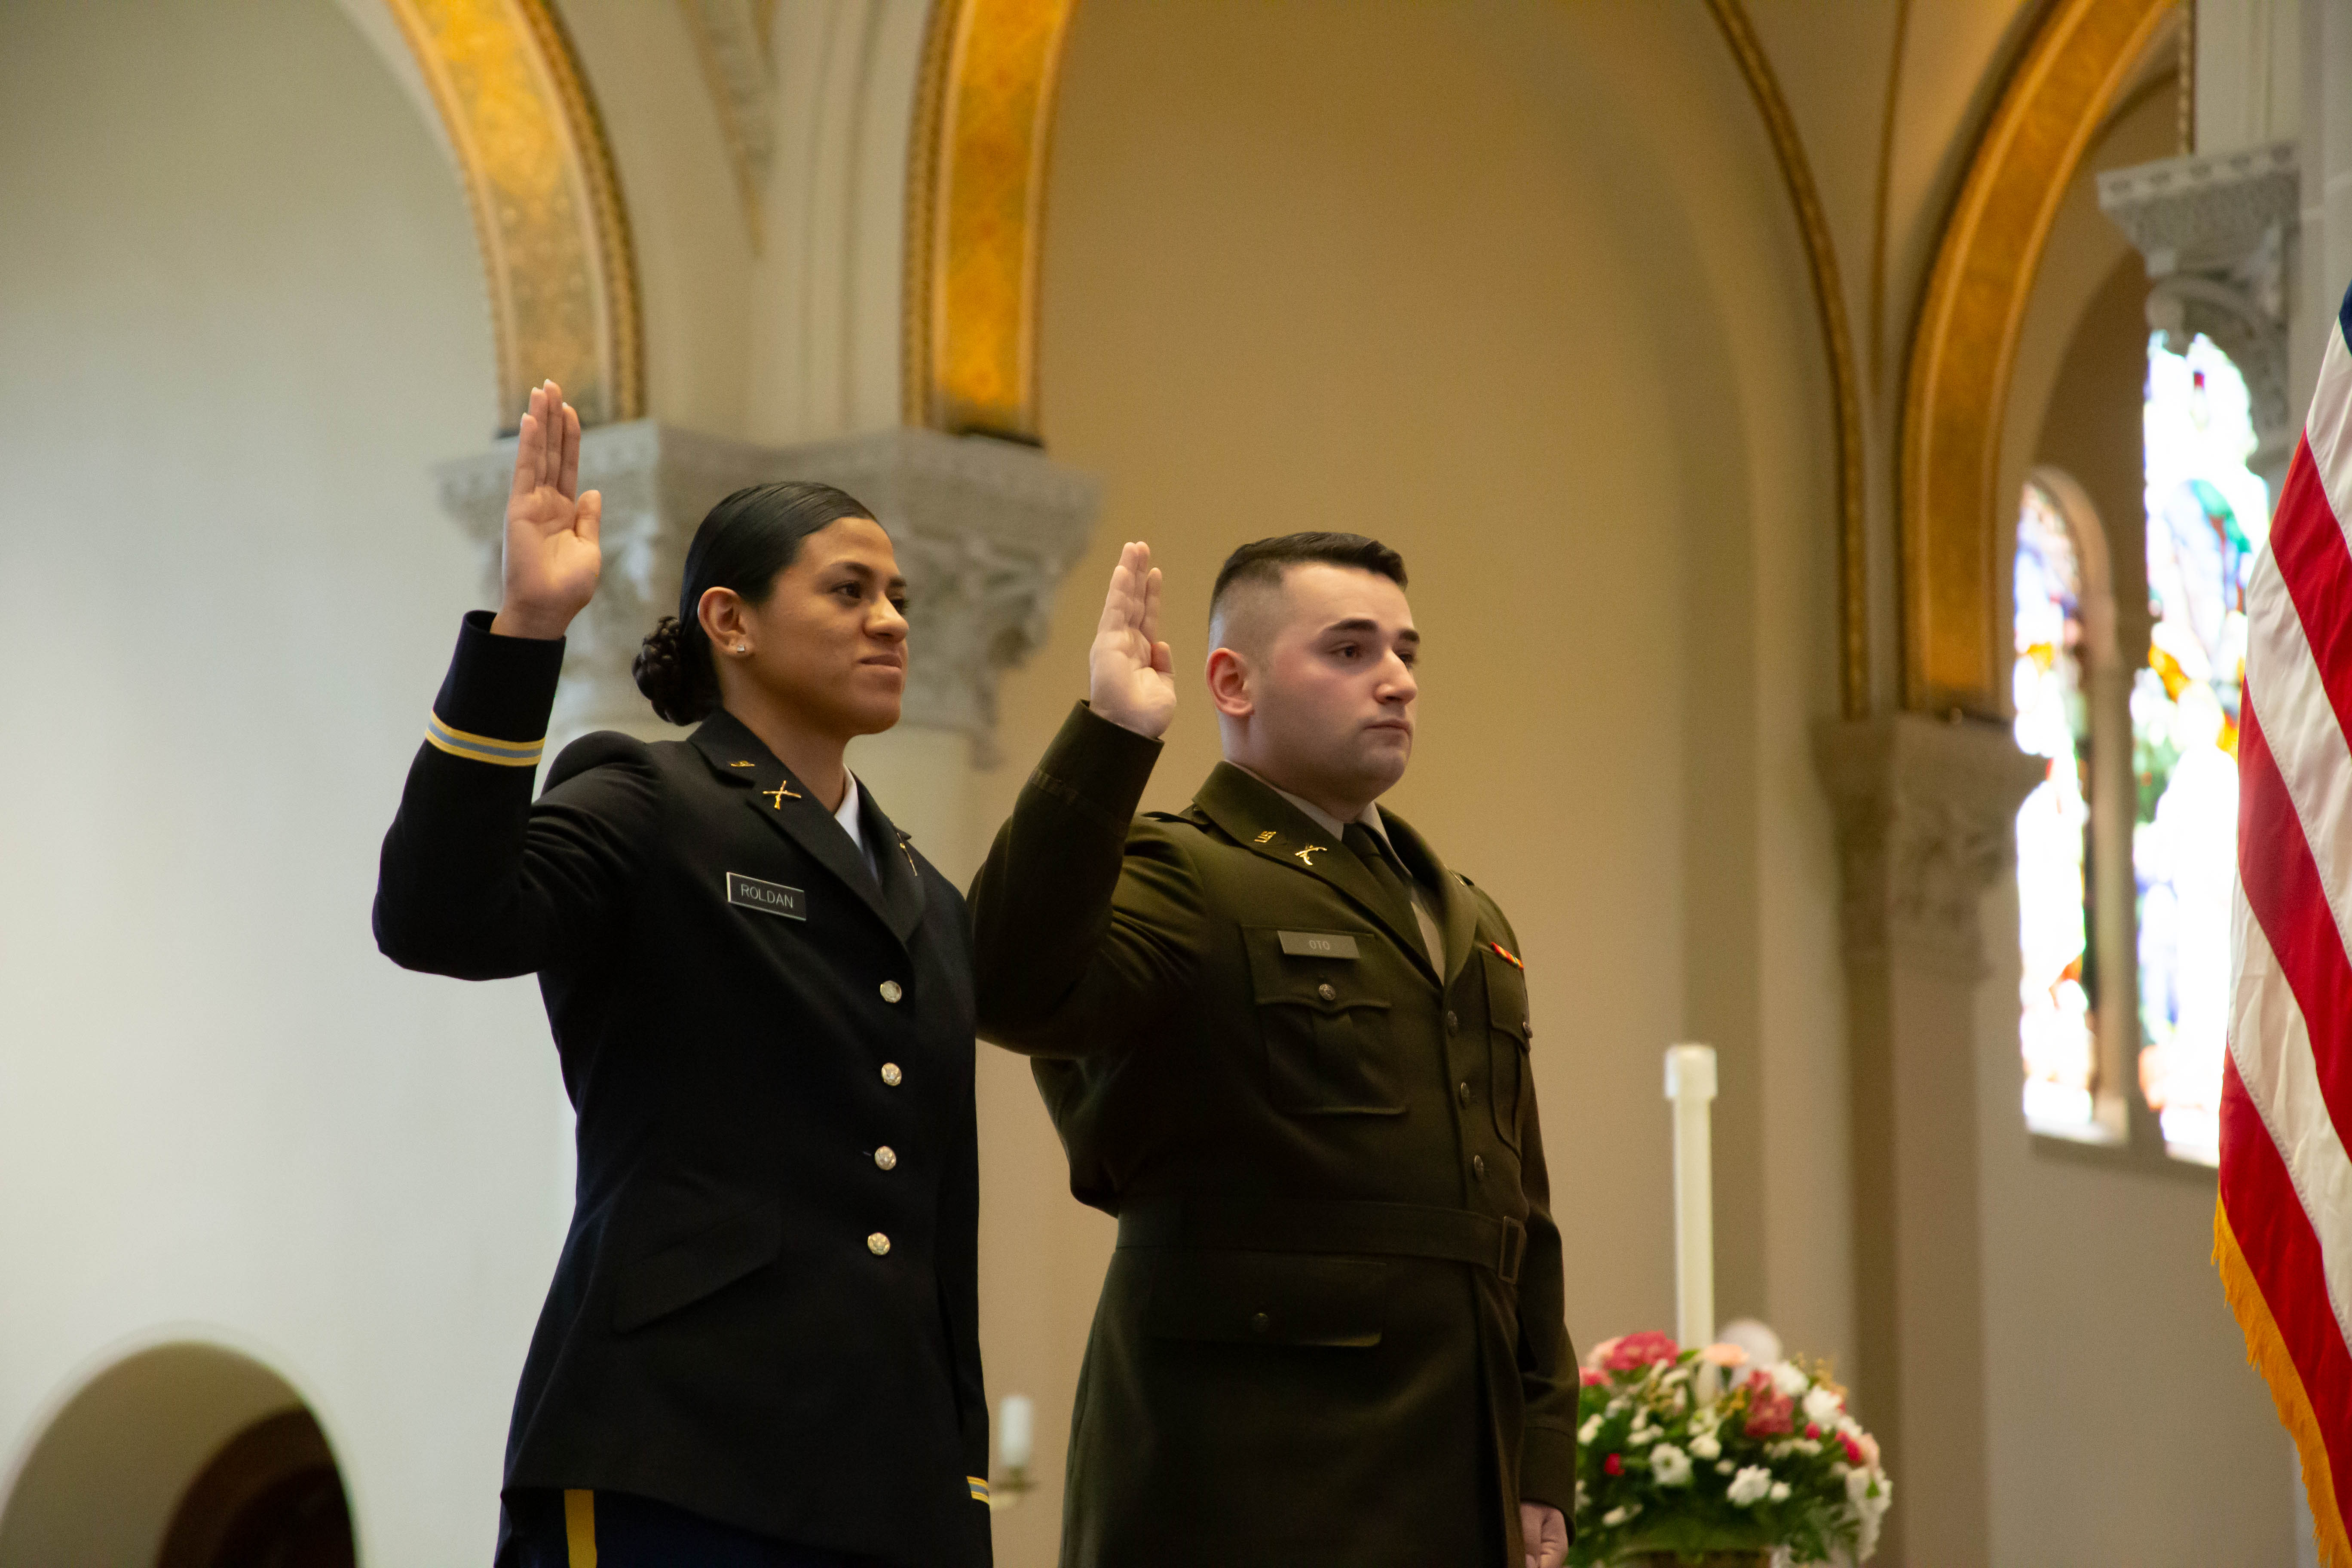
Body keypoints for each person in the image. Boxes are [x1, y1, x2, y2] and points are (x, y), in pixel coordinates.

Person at [374, 382, 992, 1568]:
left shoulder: (925, 893)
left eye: (901, 598)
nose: (893, 622)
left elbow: (932, 1208)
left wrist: (959, 1475)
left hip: (891, 1483)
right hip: (676, 1442)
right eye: (850, 590)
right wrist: (526, 634)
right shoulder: (650, 798)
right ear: (731, 619)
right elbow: (437, 916)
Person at [968, 534, 1577, 1568]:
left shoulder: (1468, 915)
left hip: (1456, 1470)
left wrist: (1539, 1459)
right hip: (1249, 1469)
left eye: (1406, 653)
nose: (1395, 681)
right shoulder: (1184, 874)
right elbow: (1007, 984)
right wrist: (1112, 734)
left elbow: (1518, 1215)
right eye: (1348, 651)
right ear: (1232, 680)